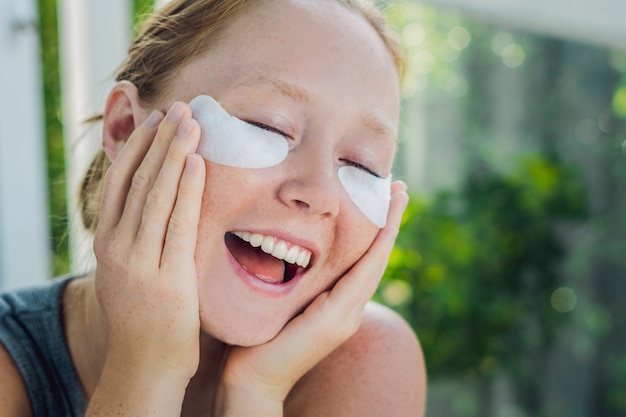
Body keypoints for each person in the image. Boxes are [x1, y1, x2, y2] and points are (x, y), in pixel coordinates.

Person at [0, 0, 427, 415]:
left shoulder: (369, 362)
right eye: (267, 126)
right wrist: (147, 368)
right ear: (126, 128)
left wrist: (255, 392)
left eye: (361, 164)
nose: (319, 193)